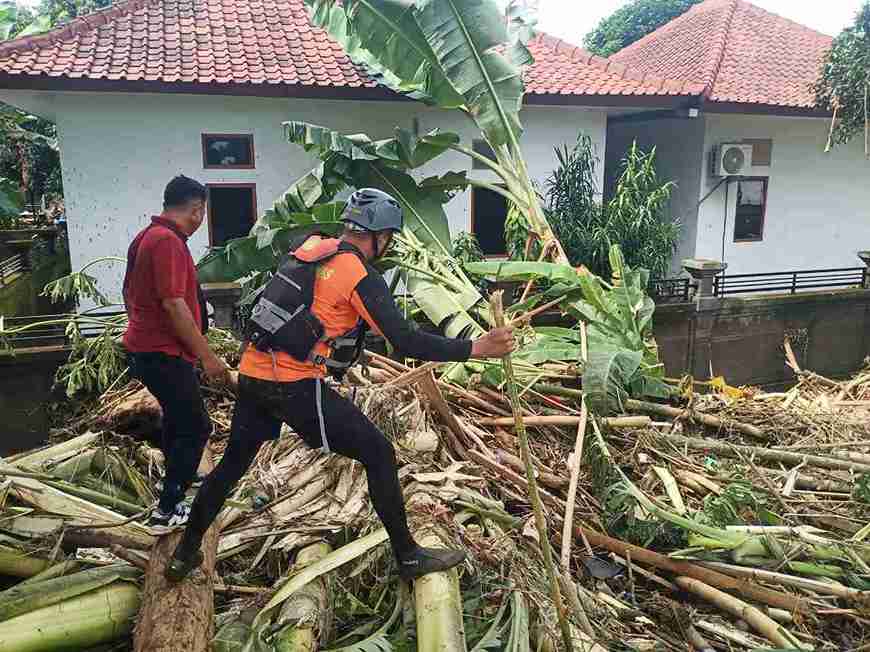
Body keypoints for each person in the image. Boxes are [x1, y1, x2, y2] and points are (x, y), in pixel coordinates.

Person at [165, 188, 515, 582]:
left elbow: (312, 314)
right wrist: (477, 347)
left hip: (253, 374)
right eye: (389, 239)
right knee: (379, 453)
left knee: (231, 466)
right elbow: (406, 340)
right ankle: (409, 557)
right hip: (292, 385)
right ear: (380, 236)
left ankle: (183, 553)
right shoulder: (358, 273)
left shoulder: (310, 249)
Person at [122, 175, 230, 532]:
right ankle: (168, 508)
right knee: (197, 426)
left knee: (176, 419)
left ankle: (172, 481)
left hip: (148, 349)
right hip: (163, 352)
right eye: (202, 212)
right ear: (197, 211)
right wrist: (208, 357)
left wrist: (141, 326)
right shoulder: (167, 242)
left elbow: (128, 293)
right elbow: (174, 304)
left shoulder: (145, 237)